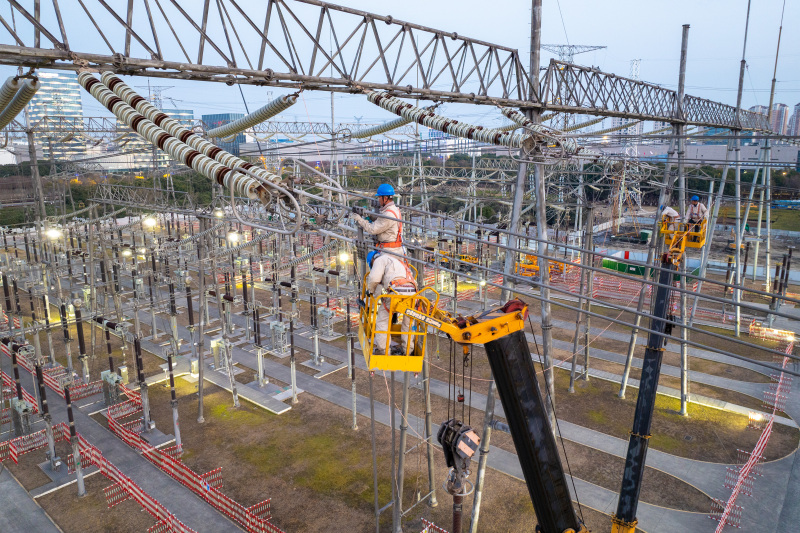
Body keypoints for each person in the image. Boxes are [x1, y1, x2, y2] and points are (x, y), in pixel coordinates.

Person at [366, 250, 418, 355]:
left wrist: (370, 290)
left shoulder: (380, 260)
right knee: (408, 323)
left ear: (372, 260)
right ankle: (408, 350)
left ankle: (384, 350)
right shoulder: (399, 262)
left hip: (397, 292)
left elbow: (374, 278)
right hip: (413, 293)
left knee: (382, 320)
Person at [351, 183, 405, 254]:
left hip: (389, 250)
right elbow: (383, 222)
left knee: (373, 260)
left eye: (379, 197)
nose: (378, 200)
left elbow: (372, 229)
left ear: (385, 198)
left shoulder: (388, 214)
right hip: (394, 248)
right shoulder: (394, 209)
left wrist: (359, 219)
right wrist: (371, 216)